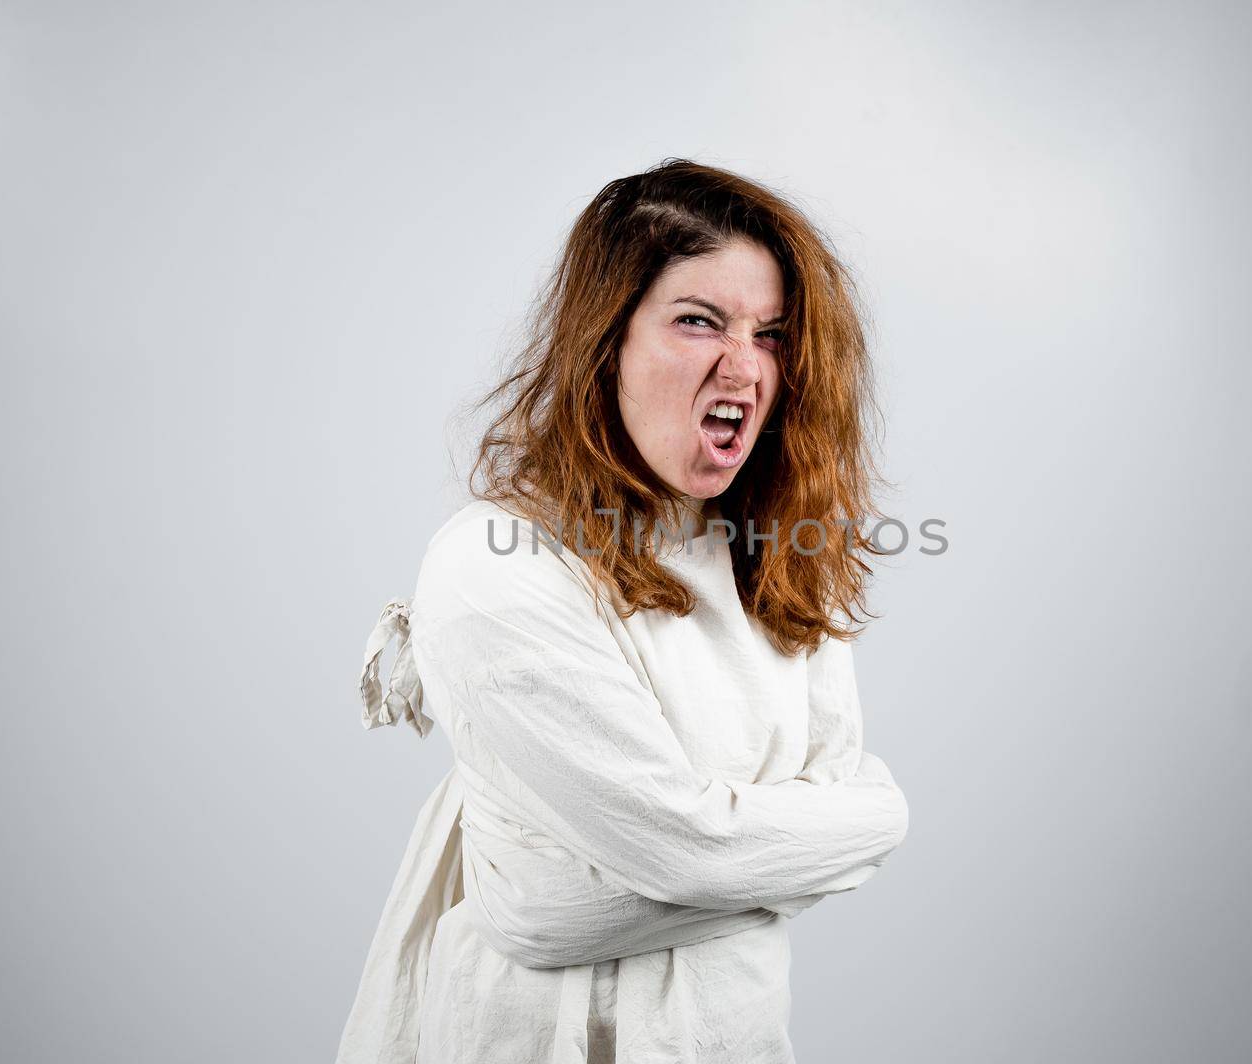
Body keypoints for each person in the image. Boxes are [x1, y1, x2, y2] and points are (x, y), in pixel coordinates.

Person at [337, 159, 911, 1064]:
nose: (744, 366)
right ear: (606, 340)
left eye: (772, 335)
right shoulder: (493, 565)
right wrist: (852, 823)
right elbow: (654, 872)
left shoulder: (777, 558)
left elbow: (594, 886)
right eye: (698, 321)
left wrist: (846, 820)